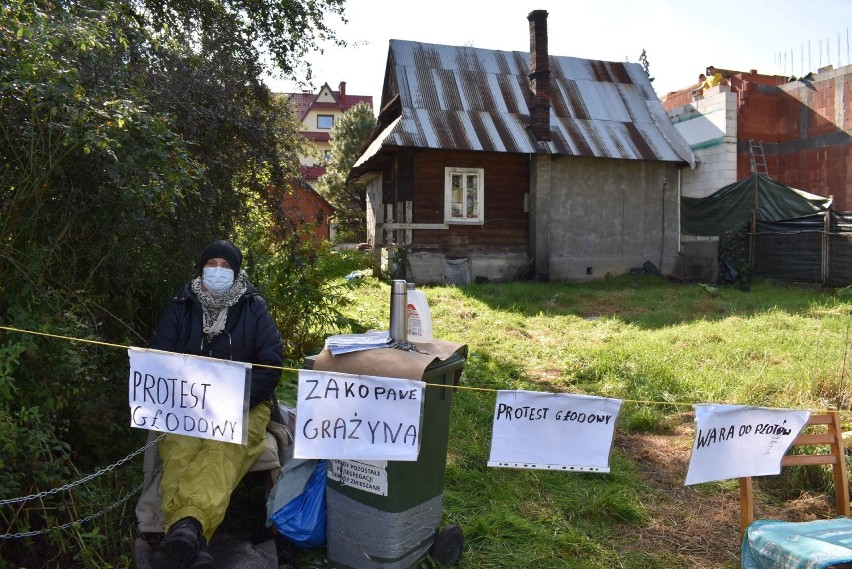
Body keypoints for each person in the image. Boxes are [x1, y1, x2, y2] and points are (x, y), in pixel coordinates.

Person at [149, 239, 283, 569]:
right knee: (178, 447)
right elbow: (159, 357)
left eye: (226, 267)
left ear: (237, 273)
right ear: (201, 269)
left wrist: (238, 398)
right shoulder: (181, 304)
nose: (218, 271)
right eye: (212, 265)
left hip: (245, 404)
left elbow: (272, 363)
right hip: (189, 405)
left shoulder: (254, 307)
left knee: (222, 447)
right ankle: (194, 539)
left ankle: (185, 531)